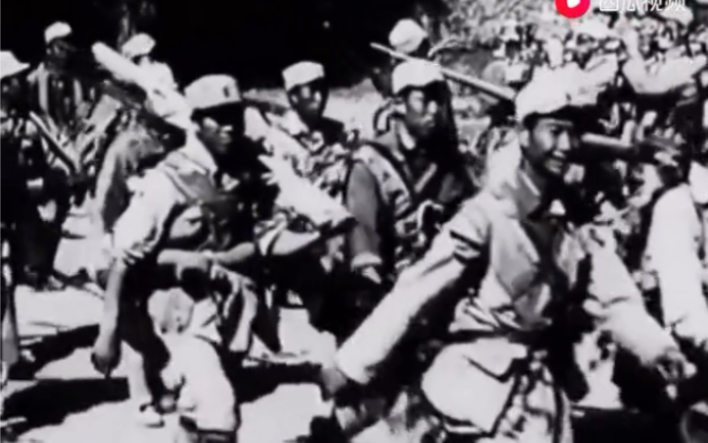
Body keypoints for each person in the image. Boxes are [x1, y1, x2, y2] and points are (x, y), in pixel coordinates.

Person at [317, 70, 693, 443]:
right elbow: (416, 290)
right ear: (524, 135)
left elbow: (616, 303)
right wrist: (351, 364)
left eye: (572, 133)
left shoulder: (575, 226)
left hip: (535, 399)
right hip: (469, 386)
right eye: (554, 131)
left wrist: (663, 352)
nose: (565, 145)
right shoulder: (488, 215)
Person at [91, 74, 349, 441]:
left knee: (199, 413)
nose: (229, 126)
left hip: (229, 311)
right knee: (219, 411)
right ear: (196, 123)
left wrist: (321, 233)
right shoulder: (168, 180)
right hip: (177, 310)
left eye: (235, 116)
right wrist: (108, 332)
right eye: (218, 118)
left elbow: (263, 242)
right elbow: (121, 257)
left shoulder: (244, 174)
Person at [27, 22, 87, 135]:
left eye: (68, 49)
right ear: (49, 49)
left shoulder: (72, 79)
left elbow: (79, 106)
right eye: (60, 48)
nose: (65, 53)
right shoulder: (35, 79)